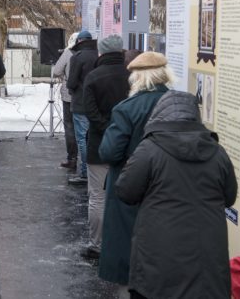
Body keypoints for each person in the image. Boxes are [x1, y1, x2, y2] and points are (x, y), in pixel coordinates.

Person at [115, 91, 237, 299]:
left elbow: (125, 191)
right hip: (207, 264)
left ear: (159, 115)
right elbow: (229, 197)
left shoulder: (150, 149)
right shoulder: (218, 152)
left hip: (158, 260)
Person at [97, 52, 173, 298]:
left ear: (138, 78)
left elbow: (109, 151)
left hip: (130, 189)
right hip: (167, 188)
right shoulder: (177, 105)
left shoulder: (127, 109)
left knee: (128, 256)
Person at [81, 34, 130, 259]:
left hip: (99, 146)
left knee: (97, 197)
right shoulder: (131, 76)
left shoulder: (93, 77)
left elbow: (89, 112)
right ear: (121, 51)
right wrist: (120, 130)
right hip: (127, 146)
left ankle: (97, 245)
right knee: (126, 196)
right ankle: (122, 243)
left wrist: (106, 128)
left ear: (101, 52)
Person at [66, 30, 98, 185]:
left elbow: (71, 83)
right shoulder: (99, 55)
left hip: (81, 104)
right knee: (95, 138)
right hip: (98, 104)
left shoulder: (77, 58)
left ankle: (85, 174)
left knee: (82, 139)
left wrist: (72, 90)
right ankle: (96, 173)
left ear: (79, 42)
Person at [53, 32, 79, 170]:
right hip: (87, 95)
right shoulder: (94, 52)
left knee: (70, 126)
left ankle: (72, 158)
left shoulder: (68, 53)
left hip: (69, 95)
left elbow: (56, 71)